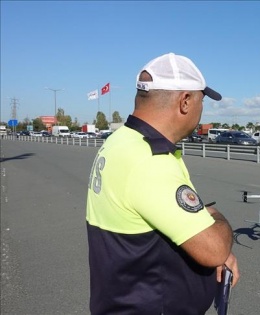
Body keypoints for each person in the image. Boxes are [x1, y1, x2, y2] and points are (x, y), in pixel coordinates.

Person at [86, 52, 239, 314]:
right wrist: (216, 218)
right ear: (186, 101)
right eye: (202, 101)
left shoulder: (121, 141)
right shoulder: (150, 160)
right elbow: (214, 249)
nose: (202, 110)